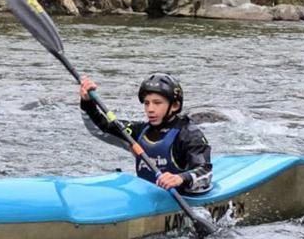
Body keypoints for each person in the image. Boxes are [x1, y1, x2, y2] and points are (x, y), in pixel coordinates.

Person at [79, 73, 212, 194]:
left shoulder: (188, 134)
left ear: (175, 106)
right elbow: (101, 128)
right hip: (147, 198)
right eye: (147, 103)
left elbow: (205, 171)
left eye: (157, 103)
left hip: (179, 198)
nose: (150, 109)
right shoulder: (139, 132)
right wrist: (87, 103)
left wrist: (180, 178)